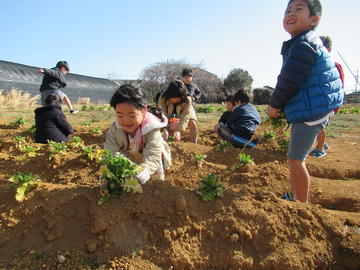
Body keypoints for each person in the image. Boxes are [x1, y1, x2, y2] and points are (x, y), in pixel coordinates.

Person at [268, 0, 344, 203]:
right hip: (313, 107)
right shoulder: (303, 42)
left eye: (298, 9)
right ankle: (296, 195)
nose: (290, 14)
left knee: (296, 159)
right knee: (295, 157)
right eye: (288, 11)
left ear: (314, 19)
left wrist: (275, 105)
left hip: (312, 110)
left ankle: (301, 202)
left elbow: (289, 80)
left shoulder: (303, 44)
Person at [104, 85, 171, 184]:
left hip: (150, 159)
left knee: (154, 185)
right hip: (128, 158)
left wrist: (146, 171)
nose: (126, 121)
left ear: (143, 110)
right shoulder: (115, 129)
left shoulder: (151, 128)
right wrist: (124, 168)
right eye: (120, 115)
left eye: (132, 115)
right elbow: (110, 151)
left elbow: (153, 154)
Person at [308, 35, 345, 158]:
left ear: (328, 49)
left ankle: (320, 149)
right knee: (319, 125)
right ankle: (322, 144)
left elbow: (339, 86)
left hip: (327, 103)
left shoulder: (334, 65)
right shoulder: (315, 65)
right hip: (318, 102)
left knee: (320, 125)